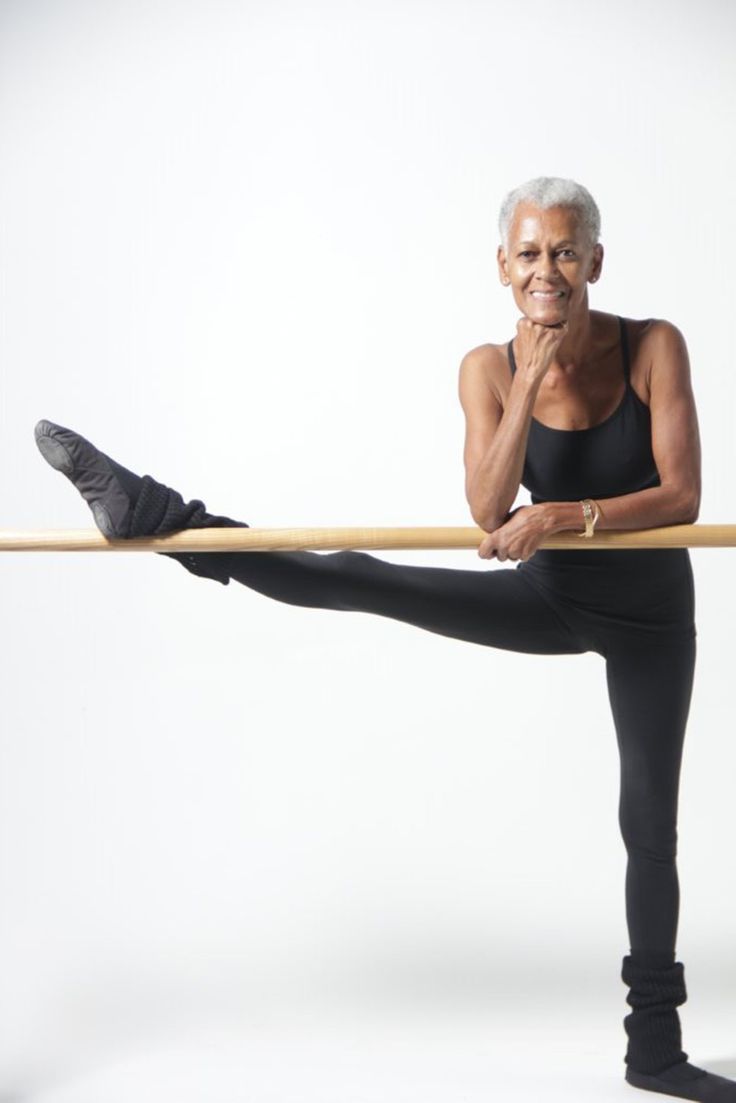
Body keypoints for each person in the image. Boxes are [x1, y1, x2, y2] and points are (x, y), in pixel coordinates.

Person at [34, 176, 734, 1101]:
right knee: (362, 576)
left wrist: (563, 513)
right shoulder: (486, 366)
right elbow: (487, 508)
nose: (548, 271)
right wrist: (528, 377)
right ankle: (158, 513)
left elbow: (682, 497)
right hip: (551, 597)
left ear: (595, 261)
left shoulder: (653, 346)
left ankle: (654, 1048)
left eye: (566, 252)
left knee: (648, 822)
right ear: (502, 267)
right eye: (529, 254)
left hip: (650, 618)